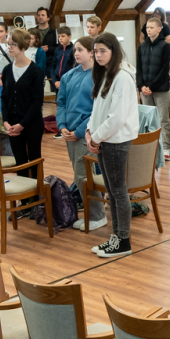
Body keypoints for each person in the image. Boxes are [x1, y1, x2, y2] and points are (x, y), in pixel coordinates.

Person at [87, 33, 140, 258]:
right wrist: (90, 132)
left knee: (118, 192)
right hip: (104, 139)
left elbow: (117, 118)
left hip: (115, 141)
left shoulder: (123, 77)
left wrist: (96, 137)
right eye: (96, 51)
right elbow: (97, 110)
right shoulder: (106, 74)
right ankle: (116, 236)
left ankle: (123, 240)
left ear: (114, 51)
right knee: (112, 191)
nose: (98, 55)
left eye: (103, 51)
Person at [56, 36, 107, 232]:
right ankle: (94, 212)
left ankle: (97, 216)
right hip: (69, 132)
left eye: (80, 50)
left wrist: (78, 131)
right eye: (75, 50)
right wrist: (62, 126)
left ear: (91, 53)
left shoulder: (99, 76)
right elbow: (61, 103)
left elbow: (97, 110)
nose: (76, 53)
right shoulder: (68, 76)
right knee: (79, 177)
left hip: (86, 133)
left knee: (84, 177)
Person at [1, 29, 46, 219]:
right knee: (20, 162)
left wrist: (22, 124)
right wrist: (5, 121)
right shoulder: (6, 70)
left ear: (22, 46)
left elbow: (37, 102)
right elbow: (4, 98)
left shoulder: (36, 71)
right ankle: (25, 202)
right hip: (12, 125)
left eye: (12, 44)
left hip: (32, 124)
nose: (9, 47)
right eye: (8, 44)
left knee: (34, 160)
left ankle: (36, 199)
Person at [136, 16, 170, 160]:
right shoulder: (142, 46)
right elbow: (139, 68)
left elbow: (164, 70)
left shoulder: (164, 46)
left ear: (159, 29)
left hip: (160, 88)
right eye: (147, 28)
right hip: (145, 89)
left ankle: (166, 148)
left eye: (151, 28)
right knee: (147, 119)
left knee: (163, 118)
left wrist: (151, 86)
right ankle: (150, 147)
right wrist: (141, 86)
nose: (148, 30)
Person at [37, 7, 55, 84]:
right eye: (38, 15)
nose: (40, 17)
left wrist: (49, 49)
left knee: (54, 84)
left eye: (43, 15)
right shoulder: (33, 32)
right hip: (37, 62)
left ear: (48, 18)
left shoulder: (54, 32)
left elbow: (59, 48)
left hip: (50, 63)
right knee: (37, 85)